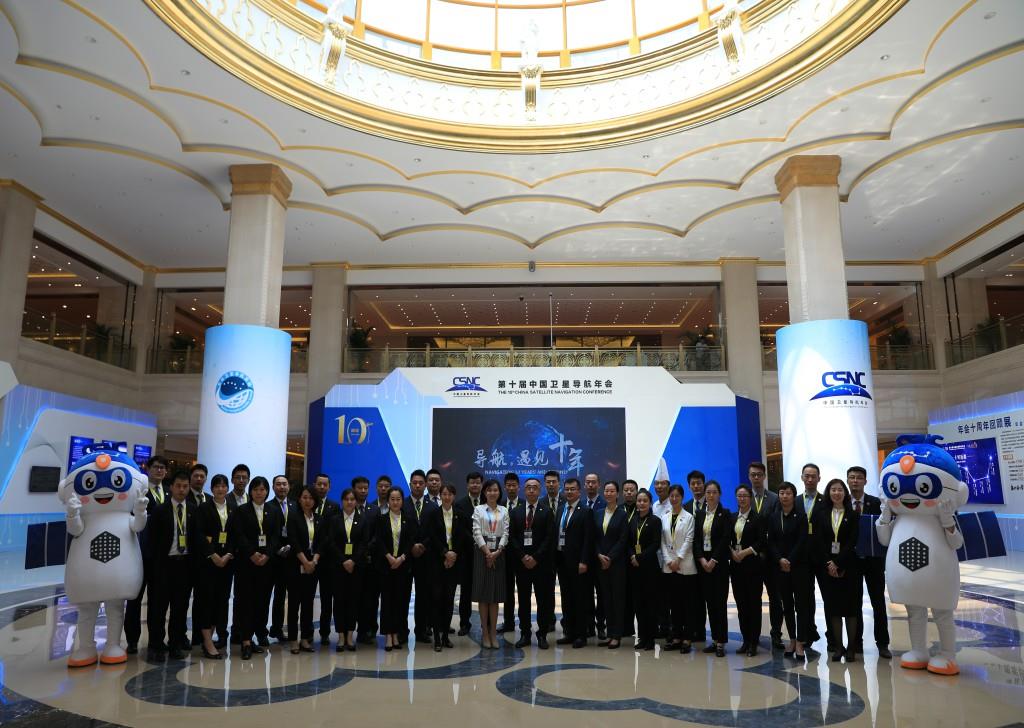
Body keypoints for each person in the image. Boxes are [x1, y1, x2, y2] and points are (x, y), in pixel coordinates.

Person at [147, 469, 200, 660]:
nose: (182, 490)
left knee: (180, 608)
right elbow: (152, 541)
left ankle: (175, 643)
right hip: (164, 565)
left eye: (185, 486)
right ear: (171, 487)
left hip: (184, 566)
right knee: (159, 608)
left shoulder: (193, 510)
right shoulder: (160, 510)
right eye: (178, 486)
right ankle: (156, 645)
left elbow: (197, 539)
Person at [812, 478, 862, 663]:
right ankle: (838, 647)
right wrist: (829, 563)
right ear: (828, 492)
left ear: (845, 493)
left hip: (849, 567)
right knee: (833, 608)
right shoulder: (821, 514)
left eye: (840, 489)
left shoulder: (853, 514)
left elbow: (852, 541)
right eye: (833, 489)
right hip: (828, 568)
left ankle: (851, 648)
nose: (836, 493)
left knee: (851, 608)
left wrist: (838, 563)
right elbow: (818, 541)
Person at [233, 476, 281, 660]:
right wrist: (252, 553)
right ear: (251, 491)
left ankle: (254, 635)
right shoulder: (242, 510)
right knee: (246, 602)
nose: (259, 493)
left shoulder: (273, 511)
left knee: (261, 602)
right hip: (247, 563)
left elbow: (276, 536)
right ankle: (245, 641)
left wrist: (267, 554)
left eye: (262, 489)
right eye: (255, 489)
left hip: (266, 564)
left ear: (267, 491)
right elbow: (239, 535)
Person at [124, 454, 167, 655]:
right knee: (134, 599)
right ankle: (132, 640)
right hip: (139, 554)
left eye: (162, 468)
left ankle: (156, 640)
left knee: (158, 602)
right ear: (147, 469)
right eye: (155, 467)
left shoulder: (169, 492)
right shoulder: (138, 491)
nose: (159, 470)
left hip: (161, 557)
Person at [847, 465, 891, 658]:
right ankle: (856, 643)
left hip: (874, 561)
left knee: (878, 603)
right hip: (852, 562)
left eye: (859, 478)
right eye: (852, 477)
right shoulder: (842, 504)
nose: (855, 481)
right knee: (853, 603)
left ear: (865, 481)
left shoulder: (876, 503)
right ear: (847, 481)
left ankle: (882, 643)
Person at [766, 481, 811, 660]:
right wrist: (779, 559)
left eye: (788, 493)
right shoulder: (773, 517)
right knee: (787, 605)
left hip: (799, 566)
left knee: (801, 605)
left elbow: (802, 541)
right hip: (780, 567)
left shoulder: (801, 516)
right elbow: (770, 541)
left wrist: (790, 559)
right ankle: (791, 639)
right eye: (782, 493)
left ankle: (800, 641)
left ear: (794, 496)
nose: (784, 496)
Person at [508, 476, 554, 649]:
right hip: (522, 565)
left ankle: (542, 634)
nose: (532, 490)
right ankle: (525, 633)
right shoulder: (516, 512)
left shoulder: (547, 511)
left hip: (541, 564)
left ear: (540, 490)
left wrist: (536, 557)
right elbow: (512, 537)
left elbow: (549, 538)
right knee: (523, 600)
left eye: (535, 487)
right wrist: (523, 556)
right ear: (524, 490)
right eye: (529, 487)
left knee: (543, 601)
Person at [195, 473, 235, 658]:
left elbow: (236, 534)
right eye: (217, 486)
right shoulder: (204, 508)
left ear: (227, 488)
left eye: (223, 486)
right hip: (208, 563)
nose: (220, 489)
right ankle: (207, 641)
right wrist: (213, 555)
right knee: (207, 601)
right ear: (211, 489)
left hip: (226, 562)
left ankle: (208, 639)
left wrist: (227, 555)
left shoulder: (233, 507)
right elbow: (199, 534)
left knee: (220, 601)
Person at [425, 483, 468, 651]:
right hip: (437, 563)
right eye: (444, 494)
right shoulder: (433, 514)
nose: (447, 497)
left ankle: (445, 637)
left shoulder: (460, 514)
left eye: (450, 494)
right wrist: (445, 553)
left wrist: (454, 554)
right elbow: (432, 537)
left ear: (454, 496)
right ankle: (436, 637)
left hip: (454, 563)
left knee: (449, 600)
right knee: (436, 600)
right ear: (440, 496)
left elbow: (463, 537)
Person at [324, 488, 367, 652]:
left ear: (356, 501)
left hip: (356, 567)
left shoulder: (362, 519)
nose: (349, 502)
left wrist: (353, 560)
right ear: (342, 501)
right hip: (338, 566)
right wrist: (343, 560)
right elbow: (331, 542)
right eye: (346, 499)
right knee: (339, 601)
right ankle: (341, 635)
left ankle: (350, 634)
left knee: (353, 601)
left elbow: (364, 543)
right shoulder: (334, 519)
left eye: (352, 499)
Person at [748, 461, 783, 650]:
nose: (756, 478)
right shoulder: (745, 496)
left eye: (759, 475)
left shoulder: (774, 498)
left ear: (764, 476)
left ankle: (776, 634)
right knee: (753, 599)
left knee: (775, 598)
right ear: (749, 476)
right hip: (752, 557)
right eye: (753, 474)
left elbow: (776, 526)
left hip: (770, 557)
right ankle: (753, 635)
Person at [471, 479, 510, 649]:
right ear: (484, 492)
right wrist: (488, 553)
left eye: (495, 490)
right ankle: (485, 633)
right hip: (482, 553)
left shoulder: (504, 510)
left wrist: (497, 551)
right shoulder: (478, 509)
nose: (492, 493)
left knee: (495, 596)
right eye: (489, 490)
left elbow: (506, 532)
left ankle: (493, 633)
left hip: (499, 553)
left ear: (499, 492)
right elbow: (476, 532)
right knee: (483, 595)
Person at [694, 480, 730, 656]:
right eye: (708, 492)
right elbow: (696, 539)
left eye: (714, 492)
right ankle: (714, 639)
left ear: (719, 494)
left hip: (718, 565)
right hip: (703, 565)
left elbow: (725, 539)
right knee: (710, 604)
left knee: (720, 604)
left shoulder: (725, 514)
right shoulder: (700, 514)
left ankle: (721, 642)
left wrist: (713, 560)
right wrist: (702, 559)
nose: (711, 495)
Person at [375, 486, 413, 651]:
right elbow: (379, 541)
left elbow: (410, 541)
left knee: (400, 602)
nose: (395, 502)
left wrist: (402, 558)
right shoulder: (381, 519)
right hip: (386, 566)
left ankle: (396, 634)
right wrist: (389, 557)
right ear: (388, 501)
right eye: (392, 499)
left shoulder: (408, 519)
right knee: (387, 602)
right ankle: (388, 635)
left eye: (398, 499)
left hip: (403, 567)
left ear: (402, 501)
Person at [555, 477, 592, 648]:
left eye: (572, 489)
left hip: (578, 563)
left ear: (579, 491)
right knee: (566, 598)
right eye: (567, 489)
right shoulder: (561, 509)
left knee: (580, 599)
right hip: (562, 561)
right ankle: (569, 632)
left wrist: (584, 561)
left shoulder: (585, 510)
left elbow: (588, 539)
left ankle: (581, 635)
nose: (569, 492)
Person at [660, 483, 696, 654]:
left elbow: (689, 540)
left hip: (685, 566)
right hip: (669, 567)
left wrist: (678, 559)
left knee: (687, 604)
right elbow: (662, 541)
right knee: (673, 605)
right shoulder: (665, 517)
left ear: (682, 497)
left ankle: (687, 638)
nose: (674, 499)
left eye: (677, 496)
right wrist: (669, 560)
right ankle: (676, 637)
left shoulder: (689, 517)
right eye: (672, 496)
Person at [286, 486, 322, 653]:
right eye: (304, 497)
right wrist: (305, 562)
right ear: (299, 499)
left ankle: (305, 639)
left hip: (313, 565)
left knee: (308, 604)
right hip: (296, 564)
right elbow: (293, 541)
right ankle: (293, 639)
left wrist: (313, 561)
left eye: (311, 498)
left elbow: (321, 542)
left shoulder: (318, 519)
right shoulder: (293, 517)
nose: (308, 501)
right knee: (294, 604)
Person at [731, 484, 766, 656]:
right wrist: (732, 552)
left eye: (745, 495)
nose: (742, 498)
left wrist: (744, 552)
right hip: (736, 568)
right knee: (741, 605)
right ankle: (745, 640)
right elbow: (727, 539)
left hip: (753, 567)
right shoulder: (732, 517)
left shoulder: (758, 518)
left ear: (750, 498)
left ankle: (754, 641)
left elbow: (761, 541)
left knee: (754, 605)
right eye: (739, 495)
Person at [403, 469, 437, 643]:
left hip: (426, 557)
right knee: (403, 595)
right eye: (414, 483)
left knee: (424, 596)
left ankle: (421, 630)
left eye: (420, 483)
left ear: (425, 486)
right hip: (406, 557)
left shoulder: (433, 506)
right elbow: (400, 531)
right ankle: (401, 631)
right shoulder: (402, 504)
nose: (417, 486)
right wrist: (411, 547)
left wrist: (422, 545)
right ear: (410, 485)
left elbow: (435, 532)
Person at [357, 475, 392, 644]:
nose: (383, 489)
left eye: (386, 486)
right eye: (380, 486)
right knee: (366, 598)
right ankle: (365, 629)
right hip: (364, 560)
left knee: (383, 599)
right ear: (376, 488)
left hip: (384, 559)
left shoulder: (384, 509)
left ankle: (382, 629)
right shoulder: (371, 507)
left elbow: (377, 535)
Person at [593, 480, 627, 648]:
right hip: (601, 563)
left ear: (617, 494)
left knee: (617, 599)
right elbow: (594, 537)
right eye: (606, 491)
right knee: (606, 599)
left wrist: (610, 558)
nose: (608, 493)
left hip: (617, 564)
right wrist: (599, 555)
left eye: (612, 491)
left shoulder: (623, 514)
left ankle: (617, 635)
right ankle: (610, 632)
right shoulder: (598, 513)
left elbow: (623, 540)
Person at [628, 489, 662, 650]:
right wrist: (632, 556)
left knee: (650, 604)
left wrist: (639, 558)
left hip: (650, 568)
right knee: (638, 604)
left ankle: (650, 638)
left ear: (650, 503)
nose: (641, 503)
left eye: (645, 501)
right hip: (634, 568)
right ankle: (642, 636)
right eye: (639, 500)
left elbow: (656, 544)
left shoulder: (655, 521)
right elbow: (628, 542)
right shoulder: (633, 520)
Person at [797, 463, 825, 646]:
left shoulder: (826, 501)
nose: (809, 479)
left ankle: (832, 637)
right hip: (801, 557)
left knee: (828, 596)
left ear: (819, 479)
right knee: (805, 597)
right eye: (806, 476)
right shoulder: (796, 501)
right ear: (802, 478)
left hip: (821, 556)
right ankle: (808, 632)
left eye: (813, 476)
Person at [455, 471, 484, 636]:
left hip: (485, 555)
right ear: (467, 485)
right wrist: (476, 541)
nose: (475, 485)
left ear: (481, 484)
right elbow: (460, 529)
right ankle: (465, 623)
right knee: (465, 593)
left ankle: (486, 623)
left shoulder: (488, 502)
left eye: (478, 482)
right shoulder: (460, 504)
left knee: (485, 591)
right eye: (472, 482)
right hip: (467, 555)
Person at [313, 473, 340, 646]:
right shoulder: (307, 503)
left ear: (329, 487)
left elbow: (333, 534)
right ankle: (307, 633)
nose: (322, 487)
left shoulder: (334, 506)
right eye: (319, 484)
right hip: (308, 559)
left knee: (326, 598)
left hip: (328, 560)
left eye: (325, 485)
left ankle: (324, 632)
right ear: (314, 485)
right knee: (306, 599)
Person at [268, 475, 296, 642]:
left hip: (291, 557)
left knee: (286, 596)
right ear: (273, 487)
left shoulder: (295, 505)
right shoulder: (268, 506)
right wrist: (277, 549)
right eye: (278, 484)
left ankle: (280, 629)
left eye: (284, 484)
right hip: (273, 557)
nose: (282, 487)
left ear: (289, 486)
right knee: (270, 596)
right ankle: (266, 630)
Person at [498, 472, 520, 634]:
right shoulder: (499, 505)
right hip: (503, 554)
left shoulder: (526, 504)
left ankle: (525, 623)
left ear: (518, 487)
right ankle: (508, 622)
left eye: (514, 485)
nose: (511, 488)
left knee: (524, 592)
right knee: (507, 591)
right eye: (509, 485)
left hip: (521, 555)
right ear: (505, 487)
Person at [621, 479, 639, 638]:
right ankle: (625, 627)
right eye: (626, 490)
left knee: (636, 594)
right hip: (620, 558)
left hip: (637, 558)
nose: (628, 492)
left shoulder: (642, 509)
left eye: (631, 490)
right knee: (622, 594)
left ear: (636, 492)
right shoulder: (618, 509)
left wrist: (635, 555)